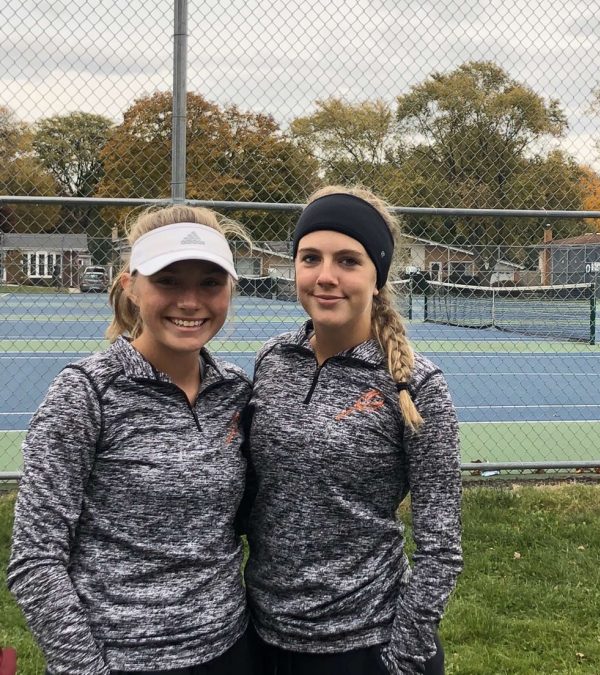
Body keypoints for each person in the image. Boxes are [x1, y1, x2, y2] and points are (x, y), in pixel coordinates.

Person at [8, 205, 256, 674]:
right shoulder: (85, 394)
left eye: (209, 282)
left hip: (232, 649)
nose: (190, 301)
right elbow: (36, 561)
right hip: (123, 660)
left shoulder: (236, 391)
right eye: (168, 281)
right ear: (131, 286)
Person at [244, 186, 463, 674]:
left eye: (348, 261)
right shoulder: (272, 360)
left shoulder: (416, 384)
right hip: (263, 637)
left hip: (365, 646)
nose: (326, 277)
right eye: (310, 258)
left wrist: (401, 659)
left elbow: (440, 546)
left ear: (377, 277)